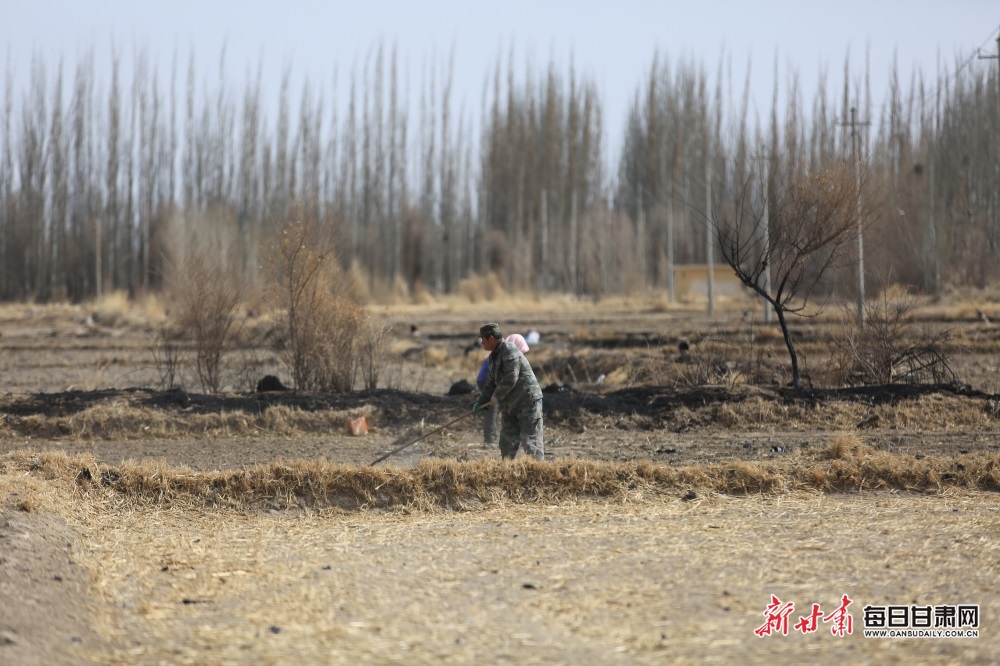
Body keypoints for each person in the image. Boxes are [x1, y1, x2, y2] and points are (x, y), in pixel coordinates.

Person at [472, 323, 544, 460]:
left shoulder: (509, 350)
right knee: (507, 440)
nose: (481, 343)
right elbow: (490, 383)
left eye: (483, 339)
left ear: (491, 338)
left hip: (527, 401)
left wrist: (495, 398)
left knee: (530, 440)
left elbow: (511, 378)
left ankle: (538, 471)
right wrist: (481, 401)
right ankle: (507, 469)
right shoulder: (493, 356)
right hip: (510, 402)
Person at [475, 333, 530, 446]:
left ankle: (498, 436)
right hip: (486, 382)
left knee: (497, 407)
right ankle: (490, 439)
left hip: (489, 381)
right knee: (492, 409)